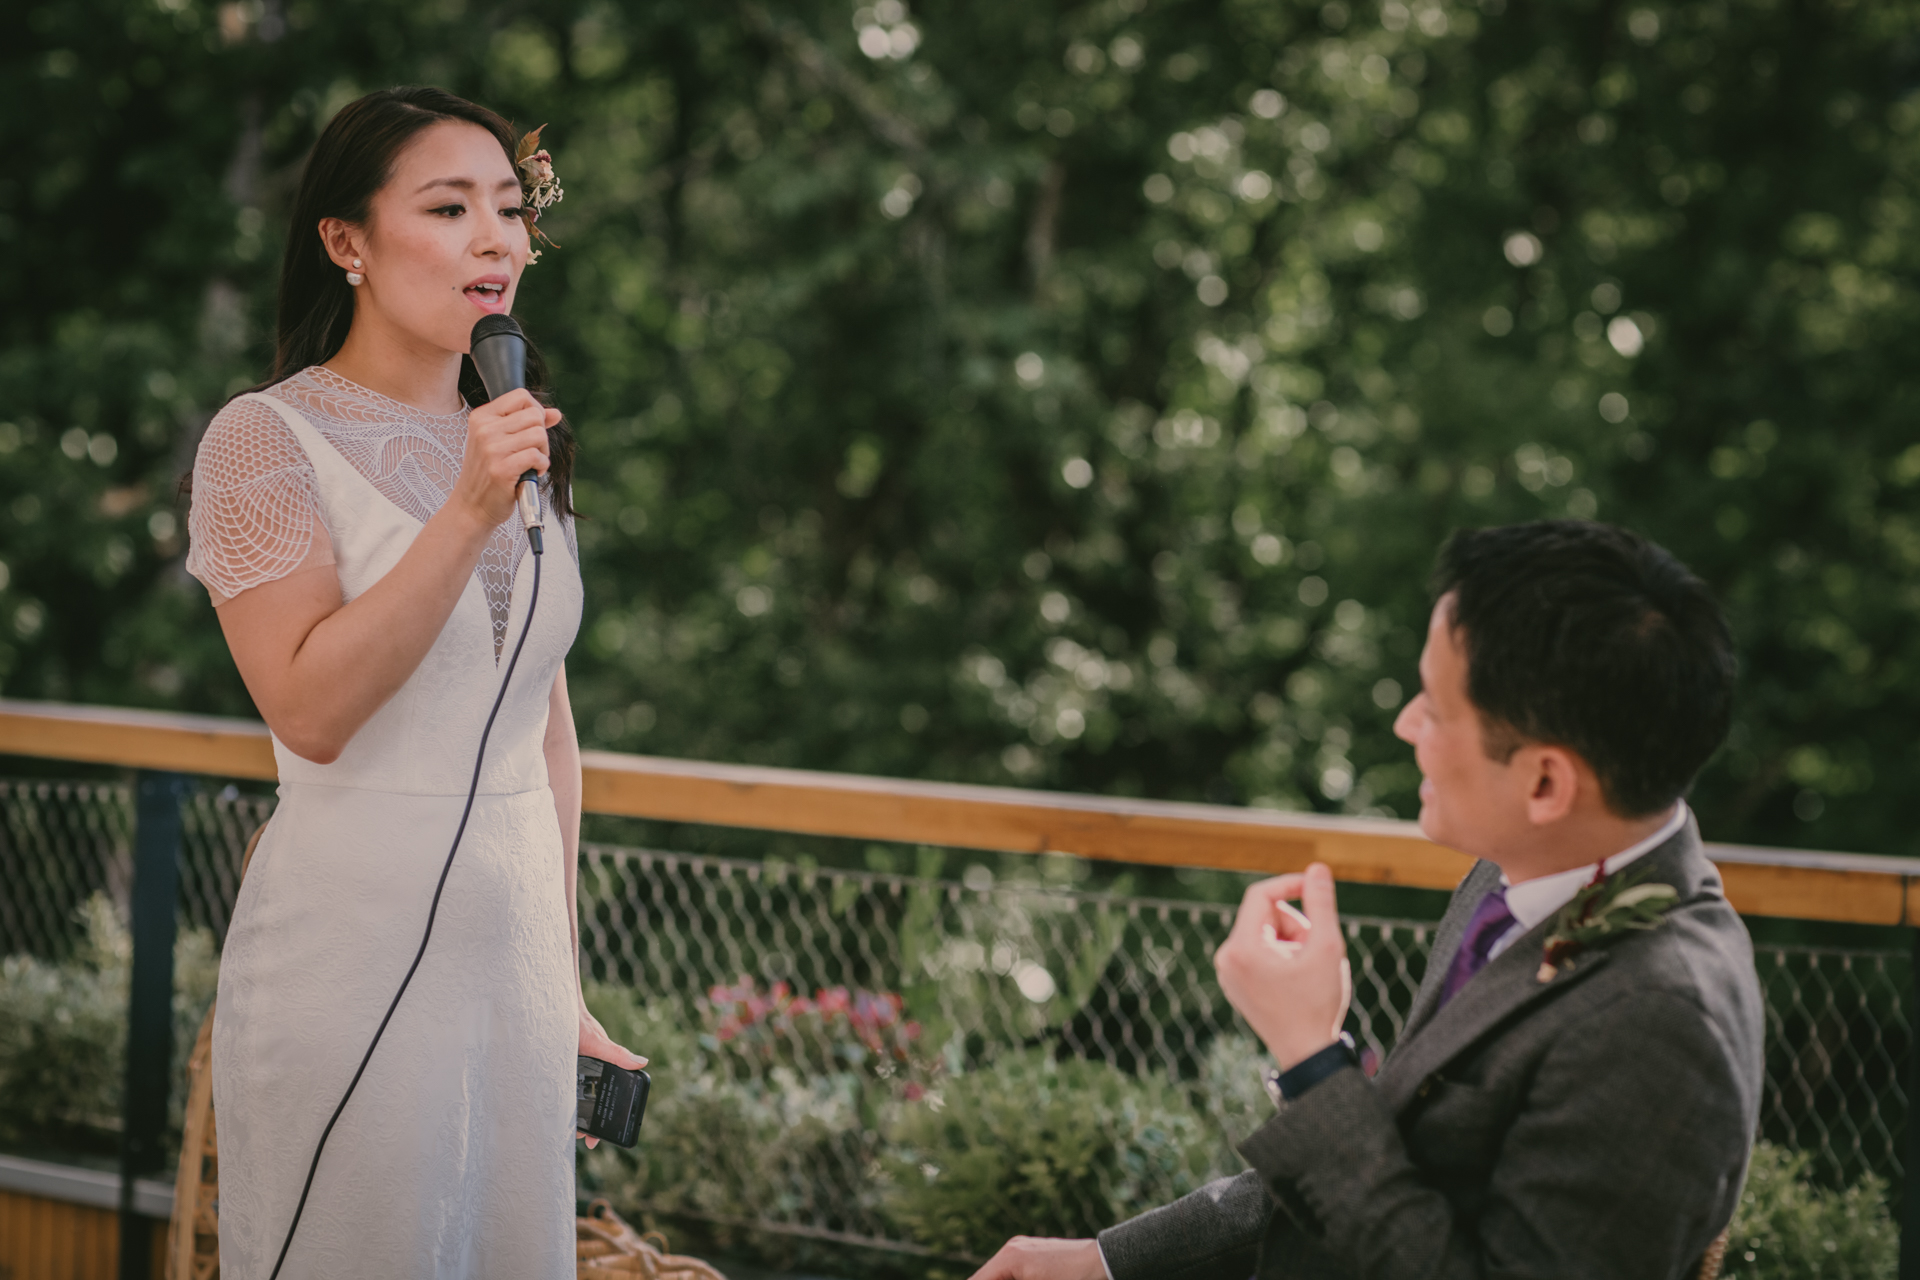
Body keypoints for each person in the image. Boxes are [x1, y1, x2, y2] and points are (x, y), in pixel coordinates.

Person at [969, 520, 1763, 1280]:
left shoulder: (1664, 1024)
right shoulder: (1510, 875)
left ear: (1546, 782)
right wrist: (1107, 1262)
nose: (1404, 722)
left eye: (1435, 707)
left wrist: (1311, 1059)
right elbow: (1390, 1170)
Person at [184, 86, 643, 1277]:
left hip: (517, 972)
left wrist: (567, 979)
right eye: (450, 207)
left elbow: (547, 736)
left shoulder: (519, 431)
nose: (497, 240)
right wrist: (464, 513)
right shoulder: (263, 439)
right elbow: (310, 710)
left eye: (508, 208)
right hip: (347, 957)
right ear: (347, 242)